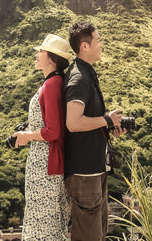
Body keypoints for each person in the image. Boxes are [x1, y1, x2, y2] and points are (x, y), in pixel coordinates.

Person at [63, 21, 123, 241]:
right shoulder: (79, 78)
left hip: (94, 170)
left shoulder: (87, 74)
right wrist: (106, 119)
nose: (101, 44)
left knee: (97, 235)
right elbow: (73, 123)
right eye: (98, 40)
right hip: (84, 174)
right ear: (85, 46)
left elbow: (87, 120)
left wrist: (108, 125)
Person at [13, 33, 71, 240]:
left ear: (52, 59)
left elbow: (53, 131)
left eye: (41, 51)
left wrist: (27, 136)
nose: (37, 54)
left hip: (45, 163)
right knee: (47, 221)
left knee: (43, 223)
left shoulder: (52, 85)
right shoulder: (53, 83)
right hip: (45, 161)